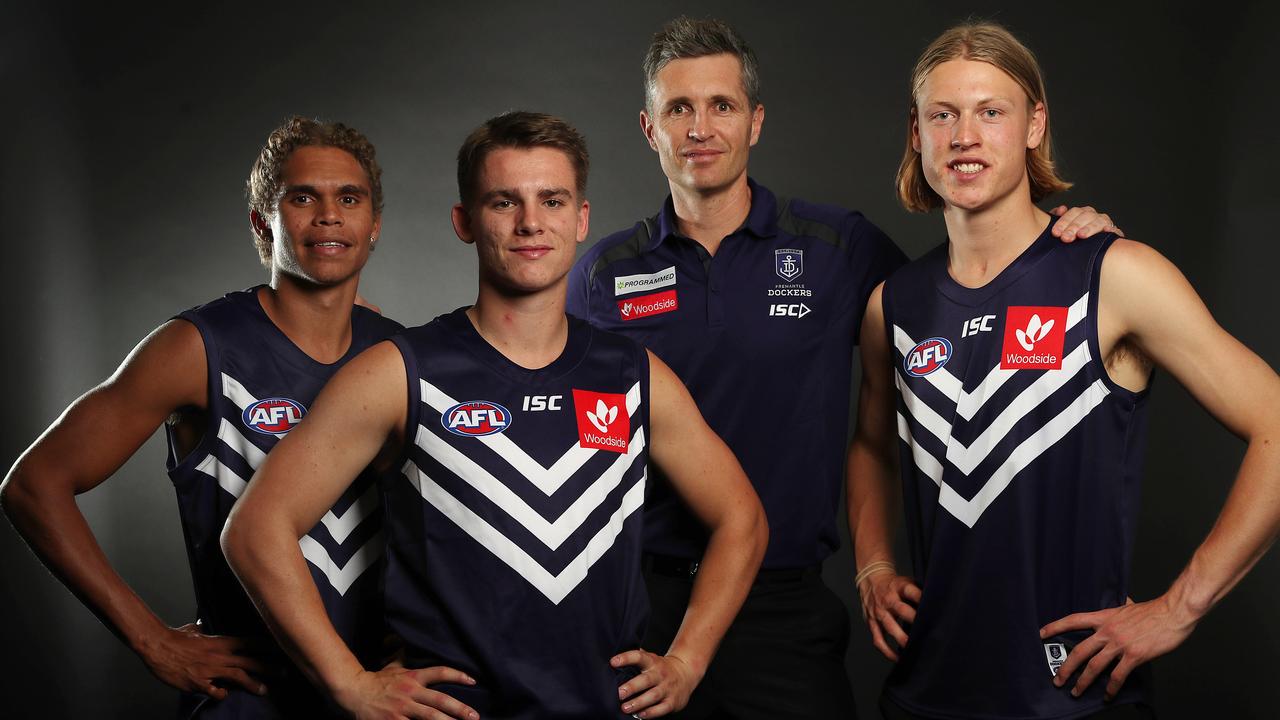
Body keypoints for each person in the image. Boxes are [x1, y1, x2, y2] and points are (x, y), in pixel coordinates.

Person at [567, 16, 1120, 718]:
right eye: (679, 108)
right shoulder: (604, 273)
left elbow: (957, 292)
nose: (700, 127)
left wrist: (1069, 241)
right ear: (650, 128)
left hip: (784, 609)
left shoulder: (836, 246)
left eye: (722, 106)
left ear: (756, 122)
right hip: (641, 603)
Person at [221, 111, 768, 720]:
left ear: (581, 218)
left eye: (552, 200)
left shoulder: (633, 374)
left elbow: (741, 517)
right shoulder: (398, 373)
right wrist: (349, 683)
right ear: (465, 221)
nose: (531, 223)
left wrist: (688, 661)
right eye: (504, 201)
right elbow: (254, 530)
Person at [849, 21, 1280, 720]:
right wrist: (872, 565)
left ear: (1033, 124)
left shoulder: (1114, 275)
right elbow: (871, 444)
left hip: (1073, 698)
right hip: (926, 694)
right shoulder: (890, 305)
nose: (964, 136)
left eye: (991, 111)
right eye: (943, 114)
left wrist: (1181, 606)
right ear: (916, 132)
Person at [1, 117, 402, 718]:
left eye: (349, 197)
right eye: (302, 197)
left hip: (376, 695)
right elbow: (33, 485)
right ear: (262, 222)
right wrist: (150, 639)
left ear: (373, 226)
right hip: (252, 697)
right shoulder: (197, 347)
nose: (328, 215)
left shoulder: (397, 353)